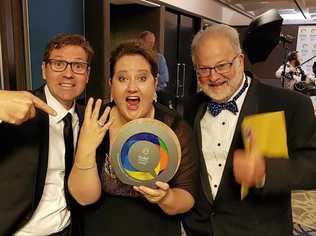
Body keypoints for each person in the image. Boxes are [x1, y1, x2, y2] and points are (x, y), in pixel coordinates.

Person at [181, 24, 316, 236]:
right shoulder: (191, 107)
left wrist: (265, 170)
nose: (214, 77)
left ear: (240, 60)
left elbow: (312, 166)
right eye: (204, 69)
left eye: (222, 66)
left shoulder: (289, 104)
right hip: (200, 229)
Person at [68, 40, 199, 236]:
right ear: (111, 85)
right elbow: (84, 198)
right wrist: (85, 148)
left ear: (155, 83)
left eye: (142, 78)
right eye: (122, 78)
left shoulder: (175, 127)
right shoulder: (95, 120)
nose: (132, 87)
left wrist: (166, 197)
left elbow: (187, 198)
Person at [0, 33, 94, 235]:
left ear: (87, 74)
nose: (68, 74)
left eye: (78, 66)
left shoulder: (88, 117)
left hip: (69, 229)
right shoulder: (18, 109)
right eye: (58, 64)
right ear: (44, 70)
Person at [139, 31, 170, 106]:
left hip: (158, 95)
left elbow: (165, 78)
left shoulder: (159, 58)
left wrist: (148, 79)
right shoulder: (135, 58)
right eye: (148, 42)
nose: (151, 45)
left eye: (152, 42)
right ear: (141, 42)